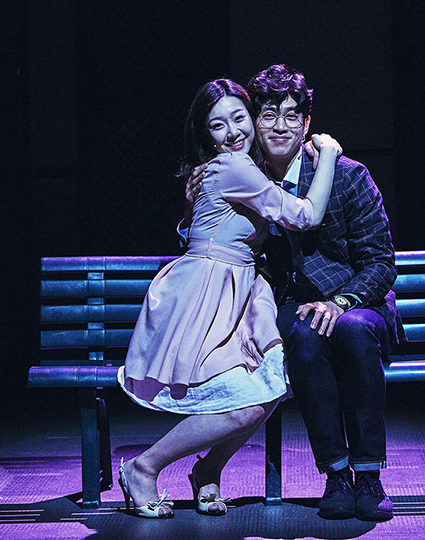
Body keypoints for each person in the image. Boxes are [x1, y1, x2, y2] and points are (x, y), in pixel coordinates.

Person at [116, 78, 342, 519]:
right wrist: (330, 154)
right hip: (209, 293)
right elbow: (306, 215)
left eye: (240, 118)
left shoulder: (231, 169)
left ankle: (208, 471)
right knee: (245, 403)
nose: (234, 131)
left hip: (238, 292)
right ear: (206, 134)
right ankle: (144, 467)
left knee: (269, 388)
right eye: (218, 125)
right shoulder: (233, 168)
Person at [189, 65, 401, 522]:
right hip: (292, 306)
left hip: (358, 304)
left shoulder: (346, 176)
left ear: (307, 123)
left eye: (291, 115)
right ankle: (337, 474)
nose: (280, 126)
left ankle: (369, 474)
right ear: (255, 122)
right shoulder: (247, 177)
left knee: (351, 330)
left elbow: (381, 263)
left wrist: (341, 301)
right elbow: (212, 233)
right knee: (303, 334)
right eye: (268, 115)